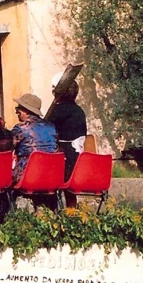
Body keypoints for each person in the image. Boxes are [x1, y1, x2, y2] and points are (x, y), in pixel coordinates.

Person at [48, 72, 87, 206]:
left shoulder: (59, 110)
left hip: (64, 157)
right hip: (78, 157)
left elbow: (48, 130)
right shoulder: (79, 110)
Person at [11, 93, 57, 184]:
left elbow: (8, 147)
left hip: (27, 175)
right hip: (50, 175)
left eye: (18, 109)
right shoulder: (51, 127)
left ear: (26, 111)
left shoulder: (21, 128)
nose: (16, 112)